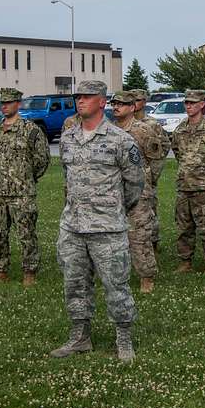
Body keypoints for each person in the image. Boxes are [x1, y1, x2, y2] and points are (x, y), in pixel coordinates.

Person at [51, 80, 144, 363]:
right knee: (75, 284)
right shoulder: (67, 137)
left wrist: (111, 210)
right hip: (73, 227)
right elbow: (67, 178)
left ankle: (124, 339)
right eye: (78, 96)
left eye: (87, 97)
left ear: (102, 102)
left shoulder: (121, 140)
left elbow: (135, 184)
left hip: (107, 228)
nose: (80, 101)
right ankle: (80, 337)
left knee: (116, 285)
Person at [0, 87, 50, 286]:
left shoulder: (31, 130)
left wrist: (27, 177)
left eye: (9, 102)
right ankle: (0, 271)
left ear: (18, 104)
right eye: (2, 103)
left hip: (22, 193)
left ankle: (29, 273)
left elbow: (42, 159)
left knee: (26, 234)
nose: (4, 106)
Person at [111, 90, 169, 293]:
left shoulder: (143, 130)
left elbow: (156, 158)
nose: (116, 107)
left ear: (132, 107)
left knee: (140, 235)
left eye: (121, 104)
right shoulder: (109, 131)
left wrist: (148, 182)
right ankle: (117, 275)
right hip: (114, 192)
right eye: (114, 103)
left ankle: (147, 276)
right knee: (113, 235)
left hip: (140, 192)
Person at [170, 89, 205, 275]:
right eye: (186, 103)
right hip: (184, 185)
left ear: (202, 104)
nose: (188, 106)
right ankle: (185, 261)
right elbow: (177, 152)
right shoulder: (181, 128)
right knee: (183, 227)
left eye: (192, 103)